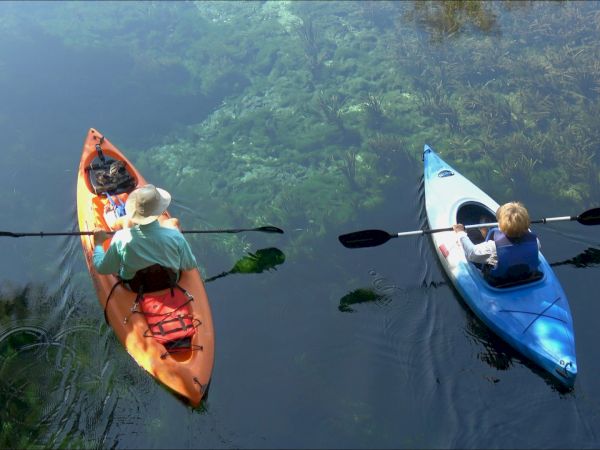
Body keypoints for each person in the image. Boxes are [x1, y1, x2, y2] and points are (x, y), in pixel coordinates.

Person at [93, 184, 198, 290]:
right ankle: (113, 220)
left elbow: (102, 269)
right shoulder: (176, 237)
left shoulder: (121, 238)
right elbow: (190, 265)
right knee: (173, 223)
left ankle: (111, 219)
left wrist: (98, 243)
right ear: (161, 211)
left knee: (126, 222)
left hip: (135, 285)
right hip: (169, 281)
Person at [452, 202, 541, 285]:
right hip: (526, 277)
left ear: (501, 227)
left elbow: (471, 253)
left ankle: (483, 232)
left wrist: (461, 233)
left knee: (473, 235)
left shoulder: (492, 247)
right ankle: (484, 231)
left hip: (499, 283)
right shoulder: (535, 241)